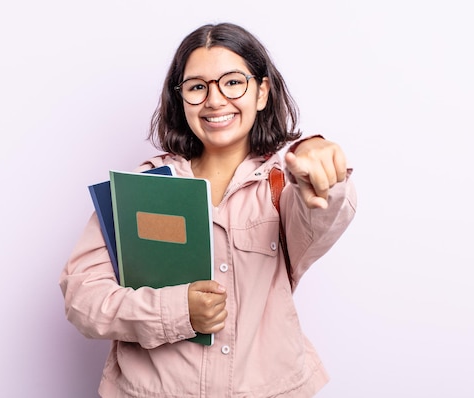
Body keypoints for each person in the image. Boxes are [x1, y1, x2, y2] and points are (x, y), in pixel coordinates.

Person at [59, 22, 357, 397]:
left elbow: (323, 216)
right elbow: (83, 298)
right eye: (198, 87)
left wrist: (318, 159)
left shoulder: (285, 184)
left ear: (262, 91)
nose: (215, 100)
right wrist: (177, 312)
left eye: (233, 82)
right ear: (181, 99)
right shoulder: (146, 186)